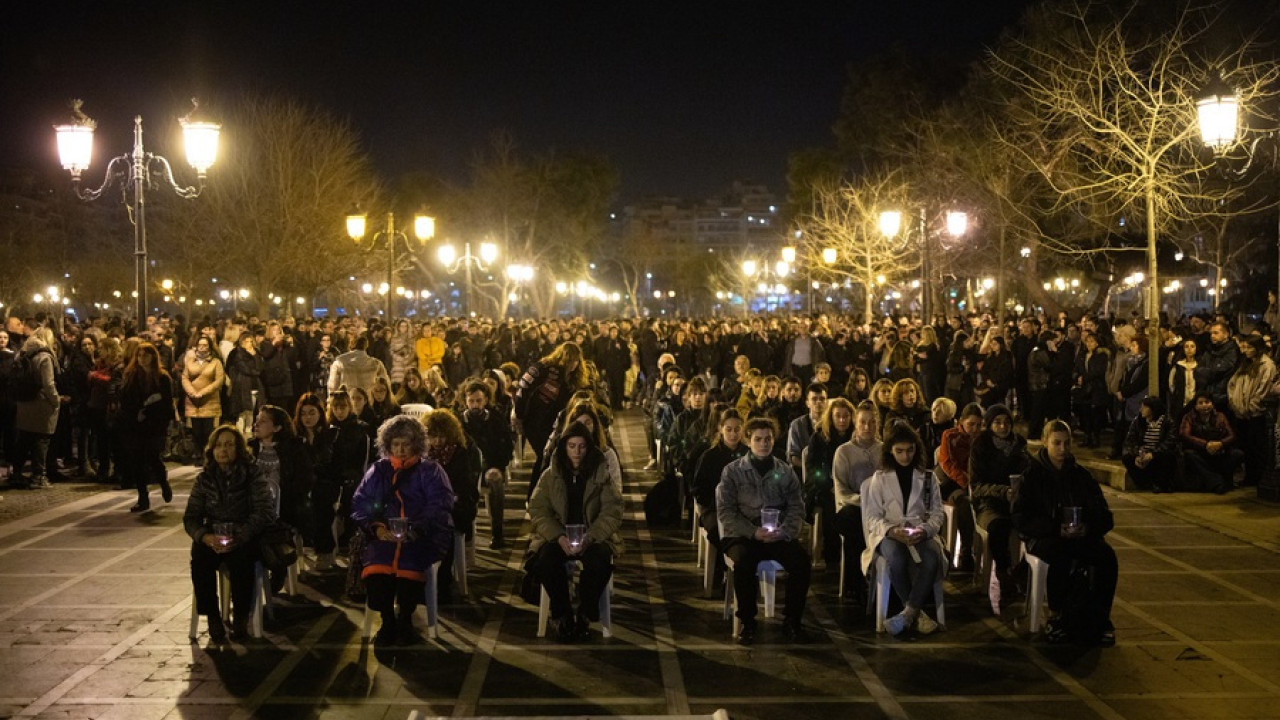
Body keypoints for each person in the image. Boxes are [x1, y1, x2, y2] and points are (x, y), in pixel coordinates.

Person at [351, 415, 456, 645]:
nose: (400, 449)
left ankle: (406, 619)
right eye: (395, 444)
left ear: (416, 444)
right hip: (383, 536)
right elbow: (360, 502)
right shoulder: (379, 470)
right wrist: (376, 528)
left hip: (422, 536)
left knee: (411, 570)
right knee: (378, 571)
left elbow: (439, 504)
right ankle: (387, 620)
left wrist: (416, 529)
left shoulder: (430, 470)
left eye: (406, 444)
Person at [1012, 420, 1118, 646]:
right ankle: (1057, 614)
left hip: (1079, 535)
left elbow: (1104, 515)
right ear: (1045, 442)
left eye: (1066, 443)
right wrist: (1054, 528)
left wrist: (1087, 527)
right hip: (1045, 537)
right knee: (1060, 555)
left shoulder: (1081, 476)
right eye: (1057, 443)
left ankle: (1100, 618)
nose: (1062, 449)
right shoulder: (1032, 476)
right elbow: (1021, 517)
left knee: (1106, 557)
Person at [716, 416, 812, 645]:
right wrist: (752, 531)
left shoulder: (785, 471)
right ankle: (748, 621)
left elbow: (797, 506)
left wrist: (785, 531)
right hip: (743, 534)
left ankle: (792, 621)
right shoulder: (733, 472)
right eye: (758, 439)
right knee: (743, 563)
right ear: (748, 441)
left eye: (767, 439)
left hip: (776, 533)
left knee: (801, 562)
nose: (763, 444)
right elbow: (726, 512)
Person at [528, 421, 625, 642]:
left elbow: (613, 510)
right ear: (564, 447)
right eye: (572, 446)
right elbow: (538, 509)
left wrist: (592, 536)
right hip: (559, 535)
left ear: (589, 447)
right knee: (546, 561)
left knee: (599, 562)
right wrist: (557, 536)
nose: (577, 452)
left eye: (582, 446)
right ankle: (562, 614)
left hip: (592, 536)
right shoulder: (551, 475)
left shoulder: (601, 474)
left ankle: (586, 613)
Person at [184, 425, 274, 643]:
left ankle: (241, 617)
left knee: (242, 561)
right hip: (213, 535)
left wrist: (240, 535)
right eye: (218, 445)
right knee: (200, 559)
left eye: (228, 445)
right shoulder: (205, 479)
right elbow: (191, 518)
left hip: (243, 533)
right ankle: (212, 616)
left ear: (238, 449)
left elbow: (264, 511)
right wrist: (205, 537)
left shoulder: (252, 474)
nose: (222, 450)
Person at [861, 423, 946, 637]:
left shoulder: (928, 477)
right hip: (890, 532)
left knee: (931, 557)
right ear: (890, 450)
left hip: (919, 531)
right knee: (896, 557)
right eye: (899, 451)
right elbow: (872, 517)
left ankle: (908, 613)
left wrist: (924, 530)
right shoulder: (880, 478)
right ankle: (916, 613)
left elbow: (937, 513)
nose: (905, 456)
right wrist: (891, 530)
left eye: (910, 450)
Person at [968, 403, 1031, 614]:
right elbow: (977, 486)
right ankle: (1004, 574)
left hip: (1017, 502)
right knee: (999, 527)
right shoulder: (981, 446)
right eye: (997, 422)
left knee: (1036, 525)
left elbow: (1030, 473)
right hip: (989, 502)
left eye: (1006, 422)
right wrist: (1002, 491)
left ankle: (1021, 570)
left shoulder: (1019, 445)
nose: (1003, 426)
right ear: (989, 424)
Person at [249, 404, 314, 589]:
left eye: (263, 421)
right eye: (257, 420)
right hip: (254, 507)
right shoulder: (249, 448)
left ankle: (275, 566)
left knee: (270, 526)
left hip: (285, 507)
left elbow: (304, 482)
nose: (256, 424)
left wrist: (278, 497)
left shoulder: (294, 448)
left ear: (277, 427)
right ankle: (275, 563)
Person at [422, 409, 481, 602]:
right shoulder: (423, 455)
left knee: (444, 526)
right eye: (433, 436)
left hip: (458, 505)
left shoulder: (461, 454)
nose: (438, 441)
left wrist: (445, 500)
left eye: (442, 437)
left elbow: (465, 487)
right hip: (429, 505)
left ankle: (442, 581)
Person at [515, 342, 588, 496]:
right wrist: (519, 416)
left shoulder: (573, 377)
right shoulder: (543, 368)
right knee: (545, 456)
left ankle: (546, 494)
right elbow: (522, 390)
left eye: (576, 361)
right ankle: (534, 495)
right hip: (534, 422)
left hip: (557, 424)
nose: (573, 364)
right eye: (570, 360)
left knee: (551, 458)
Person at [831, 400, 883, 600]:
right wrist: (864, 501)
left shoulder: (884, 450)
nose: (867, 427)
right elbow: (841, 490)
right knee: (853, 521)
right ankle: (856, 581)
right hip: (853, 505)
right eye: (863, 422)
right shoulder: (844, 451)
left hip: (879, 506)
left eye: (872, 422)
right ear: (856, 423)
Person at [314, 389, 372, 569]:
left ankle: (350, 544)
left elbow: (362, 459)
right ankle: (328, 549)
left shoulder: (359, 428)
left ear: (349, 407)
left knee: (350, 499)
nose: (339, 411)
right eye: (336, 407)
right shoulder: (327, 429)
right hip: (332, 476)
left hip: (352, 476)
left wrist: (351, 475)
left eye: (343, 407)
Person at [692, 407, 748, 587]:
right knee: (719, 529)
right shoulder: (710, 456)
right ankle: (724, 567)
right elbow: (699, 488)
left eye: (737, 429)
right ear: (721, 429)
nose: (733, 434)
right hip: (714, 508)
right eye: (728, 429)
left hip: (743, 508)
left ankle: (744, 569)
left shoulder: (748, 455)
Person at [118, 342, 174, 512]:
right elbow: (125, 399)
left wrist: (149, 412)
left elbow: (166, 403)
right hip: (135, 425)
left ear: (153, 357)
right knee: (137, 461)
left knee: (153, 457)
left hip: (154, 425)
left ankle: (163, 483)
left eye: (146, 355)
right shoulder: (132, 376)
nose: (142, 359)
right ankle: (143, 498)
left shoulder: (162, 377)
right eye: (140, 355)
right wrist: (136, 413)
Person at [459, 381, 515, 548]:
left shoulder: (495, 418)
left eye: (479, 400)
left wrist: (496, 464)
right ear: (465, 401)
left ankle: (497, 532)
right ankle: (463, 535)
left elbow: (506, 446)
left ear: (485, 400)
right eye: (471, 401)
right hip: (465, 469)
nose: (475, 405)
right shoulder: (458, 421)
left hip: (489, 466)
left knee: (495, 478)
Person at [804, 397, 854, 568]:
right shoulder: (819, 437)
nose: (842, 420)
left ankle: (853, 554)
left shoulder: (855, 437)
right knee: (830, 505)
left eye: (846, 416)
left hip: (850, 485)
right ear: (831, 417)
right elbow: (813, 468)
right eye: (838, 416)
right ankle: (833, 557)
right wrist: (831, 485)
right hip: (824, 485)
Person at [10, 328, 61, 490]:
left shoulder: (21, 354)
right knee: (41, 440)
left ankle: (16, 473)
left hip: (24, 402)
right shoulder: (44, 357)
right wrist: (56, 401)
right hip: (41, 403)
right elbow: (48, 384)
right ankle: (39, 476)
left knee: (24, 439)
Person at [935, 402, 983, 569]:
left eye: (978, 425)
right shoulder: (950, 436)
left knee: (971, 502)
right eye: (971, 424)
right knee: (963, 502)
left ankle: (971, 551)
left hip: (972, 484)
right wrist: (966, 481)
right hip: (951, 482)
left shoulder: (982, 439)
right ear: (961, 422)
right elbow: (947, 463)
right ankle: (963, 552)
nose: (974, 429)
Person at [1226, 334, 1276, 488]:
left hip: (1256, 414)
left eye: (1249, 347)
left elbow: (1263, 388)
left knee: (1257, 447)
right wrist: (1234, 402)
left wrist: (1253, 405)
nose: (1245, 350)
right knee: (1246, 447)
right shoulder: (1245, 364)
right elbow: (1233, 383)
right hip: (1241, 412)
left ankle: (1258, 478)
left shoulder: (1266, 365)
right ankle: (1250, 476)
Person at [1179, 392, 1244, 494]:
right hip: (1200, 453)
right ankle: (1218, 483)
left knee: (1238, 454)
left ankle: (1215, 481)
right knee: (1189, 455)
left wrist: (1220, 444)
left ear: (1212, 404)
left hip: (1218, 451)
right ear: (1195, 406)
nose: (1204, 405)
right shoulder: (1189, 417)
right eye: (1200, 403)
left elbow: (1232, 435)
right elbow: (1184, 435)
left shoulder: (1220, 416)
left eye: (1207, 402)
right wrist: (1206, 444)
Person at [181, 335, 226, 462]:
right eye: (200, 345)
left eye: (205, 345)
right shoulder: (190, 361)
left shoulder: (215, 362)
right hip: (193, 401)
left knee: (208, 431)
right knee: (196, 432)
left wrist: (203, 392)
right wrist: (192, 392)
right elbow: (185, 378)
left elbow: (219, 380)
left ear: (210, 347)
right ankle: (198, 455)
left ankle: (208, 456)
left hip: (209, 401)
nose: (202, 347)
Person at [1122, 396, 1177, 493]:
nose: (1141, 410)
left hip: (1157, 453)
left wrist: (1153, 454)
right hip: (1143, 453)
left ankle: (1160, 484)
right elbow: (1130, 441)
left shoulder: (1167, 422)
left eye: (1144, 407)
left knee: (1166, 456)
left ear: (1153, 409)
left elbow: (1170, 441)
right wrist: (1137, 454)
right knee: (1127, 457)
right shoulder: (1138, 421)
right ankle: (1144, 483)